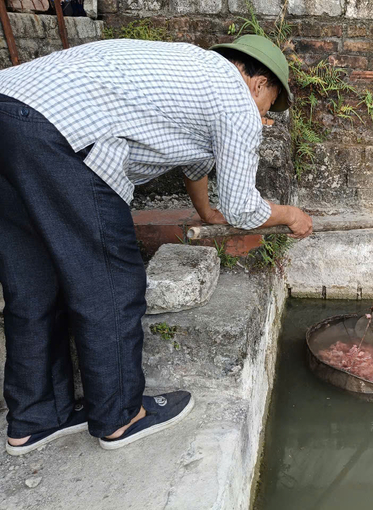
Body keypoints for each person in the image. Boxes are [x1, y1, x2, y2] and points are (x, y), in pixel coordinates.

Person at [0, 34, 313, 455]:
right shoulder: (237, 99)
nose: (263, 118)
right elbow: (242, 207)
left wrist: (205, 214)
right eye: (268, 105)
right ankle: (119, 417)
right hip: (59, 137)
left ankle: (34, 419)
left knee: (33, 283)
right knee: (109, 285)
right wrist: (290, 214)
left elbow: (196, 166)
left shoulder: (192, 75)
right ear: (258, 83)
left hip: (9, 110)